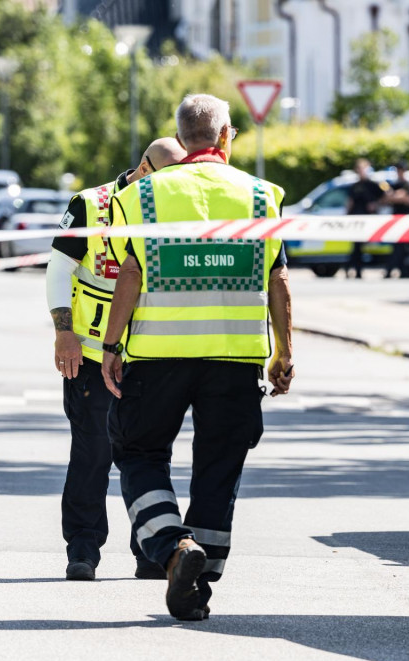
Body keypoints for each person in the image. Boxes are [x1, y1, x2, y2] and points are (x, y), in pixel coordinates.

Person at [100, 93, 295, 621]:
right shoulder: (262, 196)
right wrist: (283, 352)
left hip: (157, 356)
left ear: (181, 138)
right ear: (226, 136)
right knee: (220, 464)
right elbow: (277, 279)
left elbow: (130, 274)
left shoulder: (141, 196)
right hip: (235, 359)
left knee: (139, 453)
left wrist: (111, 346)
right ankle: (196, 585)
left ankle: (173, 548)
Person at [47, 137, 186, 582]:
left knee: (148, 454)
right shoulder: (91, 205)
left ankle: (151, 551)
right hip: (90, 353)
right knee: (92, 453)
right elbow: (59, 269)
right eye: (166, 179)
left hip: (148, 353)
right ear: (144, 169)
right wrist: (63, 333)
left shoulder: (173, 207)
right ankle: (83, 548)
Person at [345, 157, 389, 279]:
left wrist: (376, 204)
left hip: (369, 220)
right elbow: (350, 202)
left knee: (363, 247)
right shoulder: (355, 186)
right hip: (356, 219)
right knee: (356, 246)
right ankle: (354, 270)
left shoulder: (374, 185)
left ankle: (356, 269)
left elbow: (386, 197)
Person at [382, 160, 409, 279]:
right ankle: (391, 270)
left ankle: (405, 271)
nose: (399, 173)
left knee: (406, 248)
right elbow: (386, 199)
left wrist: (395, 196)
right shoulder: (394, 185)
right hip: (395, 220)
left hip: (406, 220)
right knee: (395, 247)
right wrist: (398, 196)